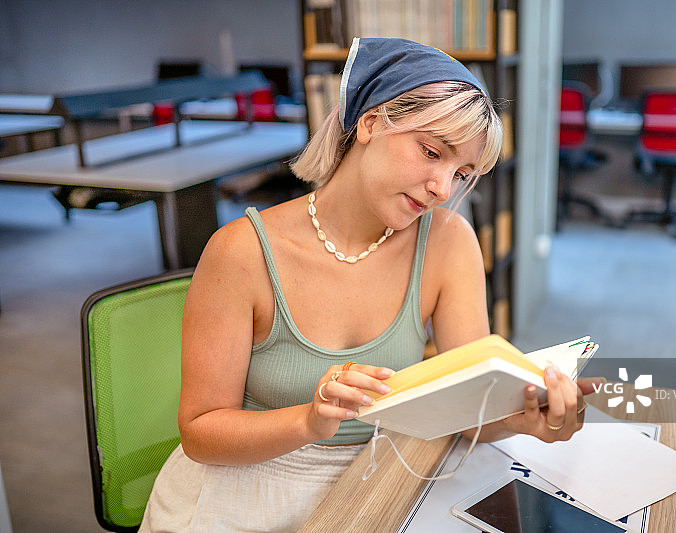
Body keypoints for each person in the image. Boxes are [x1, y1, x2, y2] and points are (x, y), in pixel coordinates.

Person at [140, 37, 596, 533]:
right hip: (254, 481)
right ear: (372, 122)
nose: (443, 188)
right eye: (431, 152)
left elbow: (468, 412)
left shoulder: (446, 242)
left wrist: (527, 421)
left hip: (384, 475)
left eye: (461, 171)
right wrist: (309, 421)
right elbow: (202, 433)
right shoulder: (241, 252)